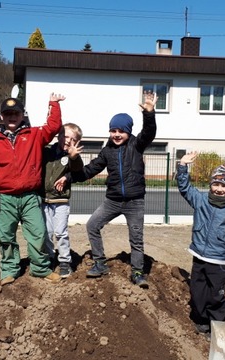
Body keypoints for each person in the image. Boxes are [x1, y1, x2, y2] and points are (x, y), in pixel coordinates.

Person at [57, 92, 157, 288]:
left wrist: (149, 113)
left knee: (136, 238)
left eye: (121, 131)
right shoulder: (107, 151)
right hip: (112, 200)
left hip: (134, 202)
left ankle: (137, 272)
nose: (117, 134)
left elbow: (149, 131)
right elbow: (89, 170)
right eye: (113, 130)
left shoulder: (137, 145)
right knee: (92, 225)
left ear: (128, 132)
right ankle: (100, 263)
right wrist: (68, 177)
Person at [0, 93, 66, 286]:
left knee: (39, 233)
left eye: (15, 113)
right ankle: (9, 270)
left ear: (22, 114)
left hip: (30, 197)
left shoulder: (34, 135)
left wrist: (54, 104)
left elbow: (53, 127)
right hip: (5, 197)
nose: (12, 117)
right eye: (7, 113)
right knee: (5, 235)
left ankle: (40, 268)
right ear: (1, 116)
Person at [176, 151, 225, 338]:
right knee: (197, 292)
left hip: (219, 261)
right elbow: (185, 188)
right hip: (199, 255)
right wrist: (182, 166)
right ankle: (202, 322)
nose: (219, 189)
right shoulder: (201, 200)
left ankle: (218, 327)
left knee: (215, 295)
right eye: (216, 184)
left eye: (223, 185)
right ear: (211, 184)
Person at [41, 123, 84, 278]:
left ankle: (65, 261)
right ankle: (50, 257)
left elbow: (79, 171)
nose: (67, 141)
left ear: (77, 142)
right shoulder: (47, 152)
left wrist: (74, 158)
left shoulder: (72, 156)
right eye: (65, 136)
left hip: (61, 201)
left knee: (61, 232)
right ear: (58, 136)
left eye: (72, 139)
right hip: (45, 199)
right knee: (47, 232)